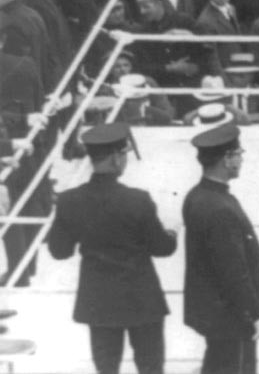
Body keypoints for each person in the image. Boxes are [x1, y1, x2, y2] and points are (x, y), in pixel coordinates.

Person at [47, 122, 178, 374]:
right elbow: (162, 248)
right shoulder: (138, 199)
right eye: (124, 155)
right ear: (117, 159)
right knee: (151, 368)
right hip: (142, 298)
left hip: (98, 300)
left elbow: (59, 251)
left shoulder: (69, 200)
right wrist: (172, 231)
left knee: (106, 368)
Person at [182, 122, 259, 374]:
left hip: (214, 312)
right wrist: (255, 313)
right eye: (239, 154)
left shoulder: (197, 195)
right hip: (232, 317)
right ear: (227, 159)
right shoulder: (220, 206)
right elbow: (232, 269)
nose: (241, 159)